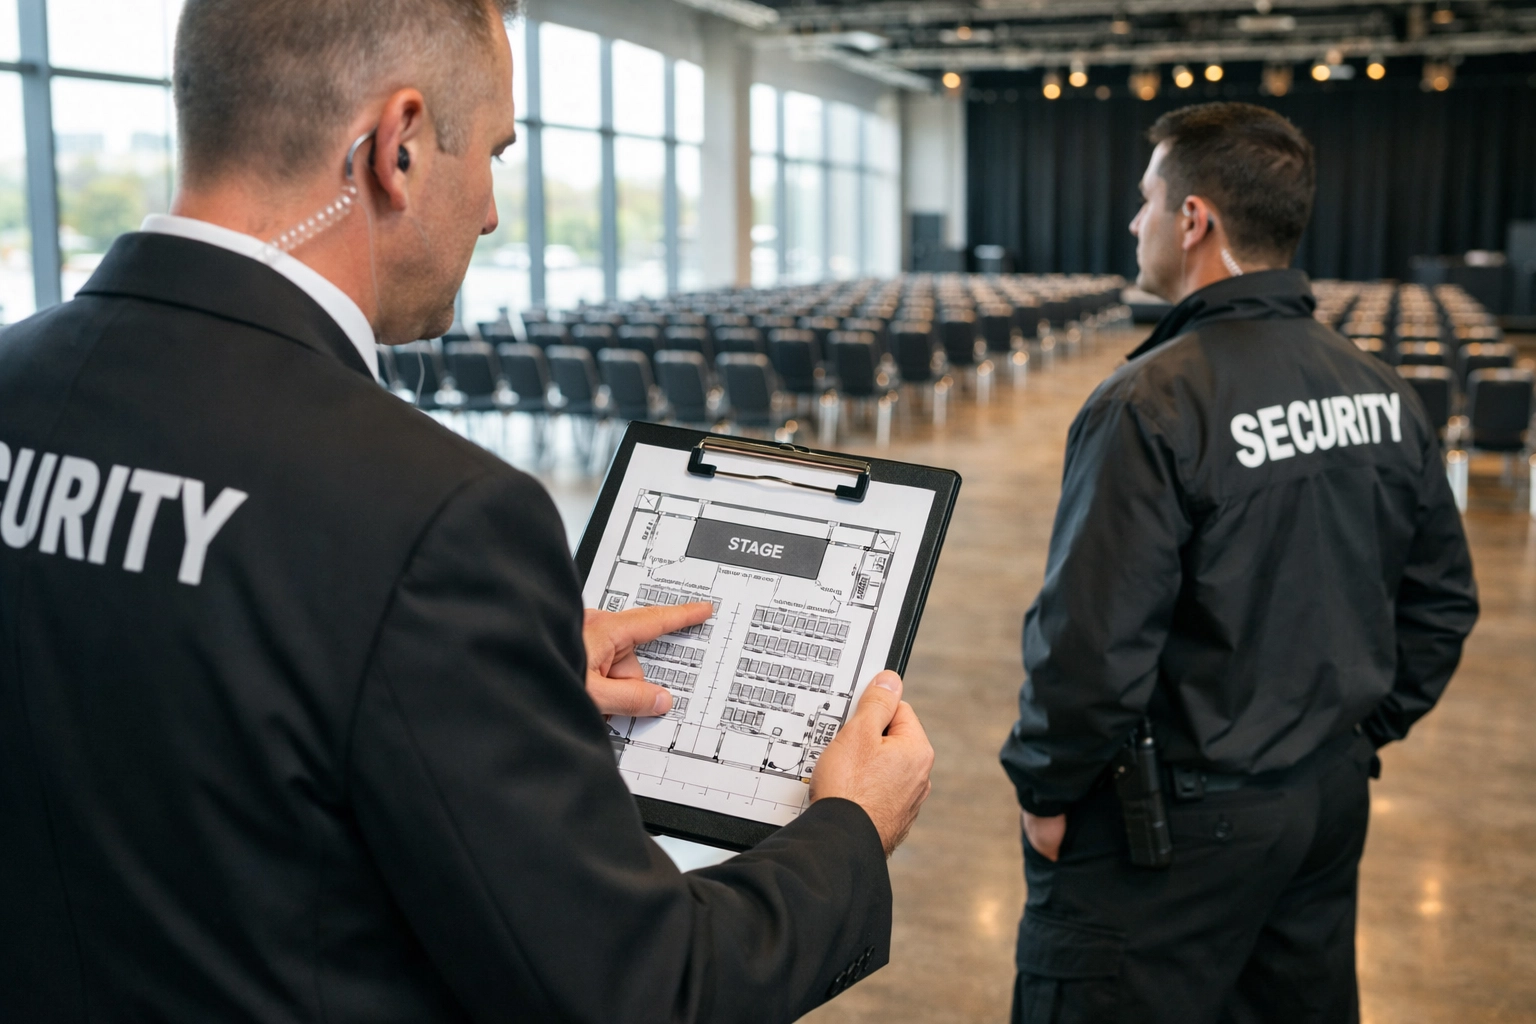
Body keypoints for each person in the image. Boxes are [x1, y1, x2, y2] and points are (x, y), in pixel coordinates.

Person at [0, 1, 934, 1020]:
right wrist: (849, 827)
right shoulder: (433, 515)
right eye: (493, 152)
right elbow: (644, 991)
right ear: (397, 148)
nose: (492, 212)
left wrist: (482, 683)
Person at [999, 102, 1478, 1023]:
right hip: (1324, 806)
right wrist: (1357, 734)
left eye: (1147, 202)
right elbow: (1443, 602)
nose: (1133, 223)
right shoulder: (1378, 388)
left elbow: (1091, 643)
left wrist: (1048, 784)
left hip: (1172, 826)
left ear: (1194, 221)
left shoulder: (1148, 402)